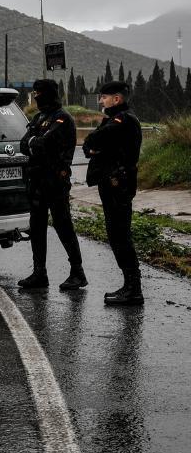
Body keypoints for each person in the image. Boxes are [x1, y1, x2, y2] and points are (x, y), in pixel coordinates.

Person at [17, 79, 85, 290]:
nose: (36, 97)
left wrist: (34, 143)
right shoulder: (39, 118)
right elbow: (24, 144)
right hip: (36, 180)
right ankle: (39, 273)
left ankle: (77, 272)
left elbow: (42, 144)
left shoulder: (63, 118)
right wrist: (33, 142)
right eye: (35, 93)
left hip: (55, 180)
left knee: (63, 225)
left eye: (39, 93)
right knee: (36, 228)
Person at [83, 80, 144, 306]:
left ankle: (133, 289)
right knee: (116, 234)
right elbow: (89, 146)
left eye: (104, 97)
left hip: (119, 184)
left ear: (116, 99)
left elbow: (93, 140)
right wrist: (94, 147)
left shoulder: (123, 120)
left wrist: (96, 146)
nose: (100, 101)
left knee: (120, 236)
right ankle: (130, 287)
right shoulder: (113, 119)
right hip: (111, 183)